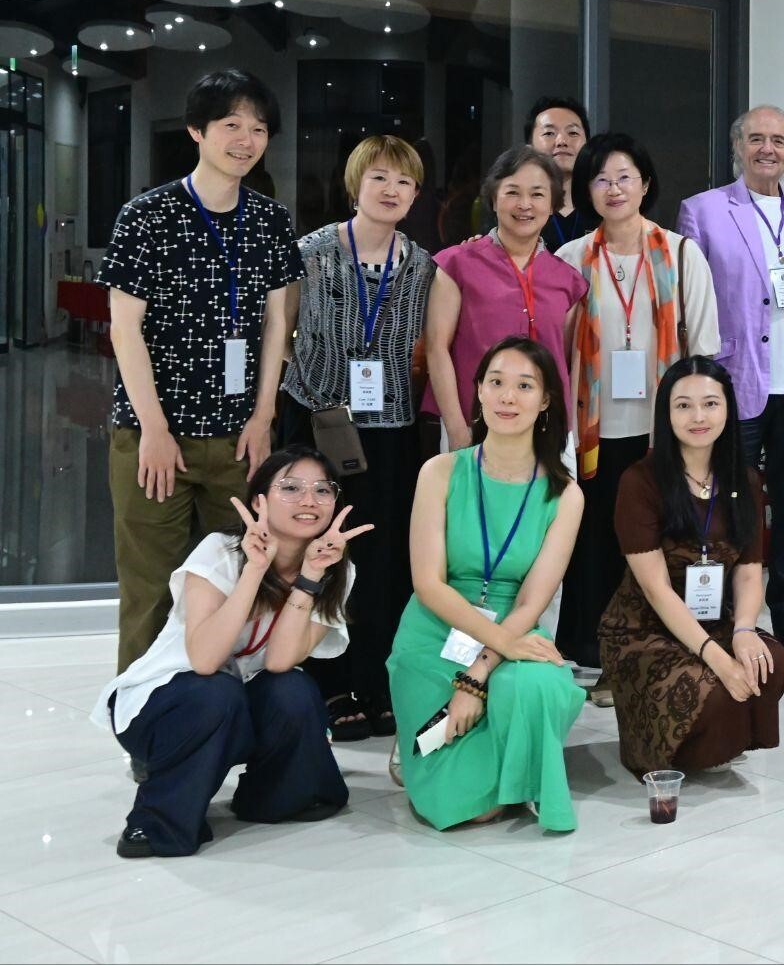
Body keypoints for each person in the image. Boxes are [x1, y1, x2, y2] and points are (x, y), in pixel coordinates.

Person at [102, 70, 307, 672]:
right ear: (196, 130)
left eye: (258, 129)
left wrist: (264, 416)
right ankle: (144, 718)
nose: (246, 140)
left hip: (238, 437)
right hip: (153, 437)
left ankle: (225, 711)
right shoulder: (146, 216)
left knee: (240, 581)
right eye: (231, 125)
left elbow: (277, 325)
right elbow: (124, 330)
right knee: (149, 588)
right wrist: (154, 429)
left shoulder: (270, 220)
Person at [94, 447, 367, 857]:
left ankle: (271, 799)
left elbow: (279, 662)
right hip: (162, 706)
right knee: (214, 691)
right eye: (291, 488)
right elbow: (204, 660)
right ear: (259, 502)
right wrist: (255, 569)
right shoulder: (221, 550)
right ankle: (159, 822)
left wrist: (310, 577)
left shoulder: (334, 569)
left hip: (235, 705)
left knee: (292, 690)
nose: (309, 500)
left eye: (322, 490)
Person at [388, 337, 587, 831]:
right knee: (465, 809)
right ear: (478, 391)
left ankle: (517, 774)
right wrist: (480, 665)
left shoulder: (565, 495)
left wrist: (479, 674)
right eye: (496, 382)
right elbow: (428, 584)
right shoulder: (440, 472)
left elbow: (533, 600)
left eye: (525, 386)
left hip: (512, 625)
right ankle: (494, 770)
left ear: (546, 401)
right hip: (436, 629)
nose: (507, 397)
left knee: (540, 683)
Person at [277, 135, 436, 741]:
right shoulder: (311, 253)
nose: (391, 190)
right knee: (319, 551)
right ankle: (328, 681)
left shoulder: (423, 266)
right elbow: (280, 333)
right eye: (379, 178)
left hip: (391, 434)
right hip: (318, 424)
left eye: (404, 181)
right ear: (355, 185)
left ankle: (376, 679)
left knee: (383, 558)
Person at [556, 133, 721, 695]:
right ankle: (598, 655)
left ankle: (653, 654)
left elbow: (703, 350)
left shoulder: (681, 254)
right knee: (597, 546)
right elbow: (556, 352)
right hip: (593, 434)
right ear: (587, 191)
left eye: (625, 177)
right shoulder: (571, 259)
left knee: (652, 545)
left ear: (646, 183)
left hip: (661, 431)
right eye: (601, 179)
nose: (614, 189)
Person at [675, 105, 784, 669]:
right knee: (723, 511)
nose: (767, 149)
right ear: (737, 147)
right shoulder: (702, 211)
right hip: (731, 386)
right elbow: (690, 306)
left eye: (778, 140)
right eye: (756, 139)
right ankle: (718, 623)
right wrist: (696, 385)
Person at [600, 357, 784, 775]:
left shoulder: (744, 480)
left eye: (710, 404)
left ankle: (720, 737)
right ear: (666, 414)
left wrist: (743, 630)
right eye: (683, 405)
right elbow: (656, 590)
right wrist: (717, 659)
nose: (698, 417)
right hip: (645, 629)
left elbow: (749, 570)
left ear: (728, 409)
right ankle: (677, 748)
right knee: (717, 687)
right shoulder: (641, 481)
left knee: (768, 660)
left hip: (713, 619)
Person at [422, 146, 588, 452]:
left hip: (546, 428)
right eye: (512, 192)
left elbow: (566, 362)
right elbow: (437, 348)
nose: (524, 204)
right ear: (493, 199)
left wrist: (571, 430)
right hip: (474, 424)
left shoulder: (568, 279)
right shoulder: (457, 264)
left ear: (553, 204)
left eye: (537, 194)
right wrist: (457, 429)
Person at [526, 94, 597, 250]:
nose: (562, 141)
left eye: (573, 133)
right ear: (529, 149)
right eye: (549, 133)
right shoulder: (519, 211)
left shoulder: (603, 209)